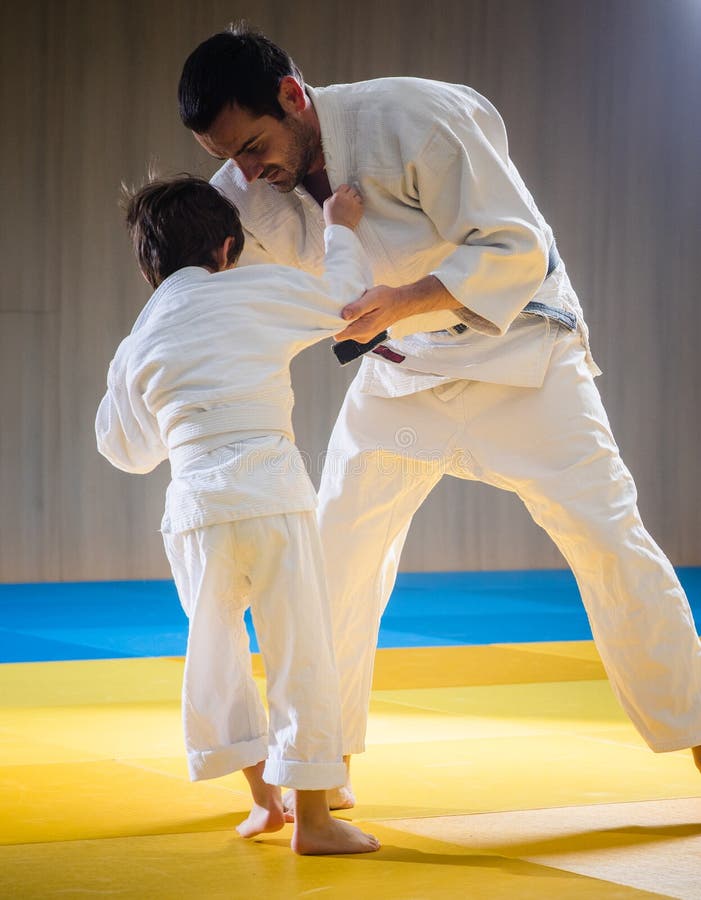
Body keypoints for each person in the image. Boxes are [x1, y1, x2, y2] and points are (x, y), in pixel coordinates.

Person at [177, 27, 701, 809]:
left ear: (292, 95)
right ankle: (319, 765)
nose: (250, 171)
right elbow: (213, 282)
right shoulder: (244, 186)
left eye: (254, 147)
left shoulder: (415, 118)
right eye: (231, 158)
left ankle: (696, 732)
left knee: (607, 539)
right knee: (334, 556)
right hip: (402, 375)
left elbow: (517, 247)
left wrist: (402, 299)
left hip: (520, 355)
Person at [95, 175, 380, 855]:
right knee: (301, 651)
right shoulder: (253, 289)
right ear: (227, 248)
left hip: (196, 512)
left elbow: (125, 450)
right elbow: (345, 300)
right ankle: (314, 821)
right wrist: (340, 226)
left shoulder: (138, 341)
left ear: (148, 266)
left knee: (215, 656)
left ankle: (263, 804)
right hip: (272, 498)